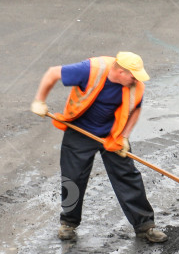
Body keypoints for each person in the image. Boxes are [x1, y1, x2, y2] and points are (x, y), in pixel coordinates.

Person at [31, 52, 167, 243]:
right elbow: (52, 73)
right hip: (79, 130)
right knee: (73, 178)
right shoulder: (90, 70)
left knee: (127, 176)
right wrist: (40, 100)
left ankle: (145, 226)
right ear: (120, 72)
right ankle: (68, 223)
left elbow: (135, 109)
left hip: (112, 134)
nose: (136, 80)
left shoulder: (135, 86)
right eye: (133, 76)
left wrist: (125, 137)